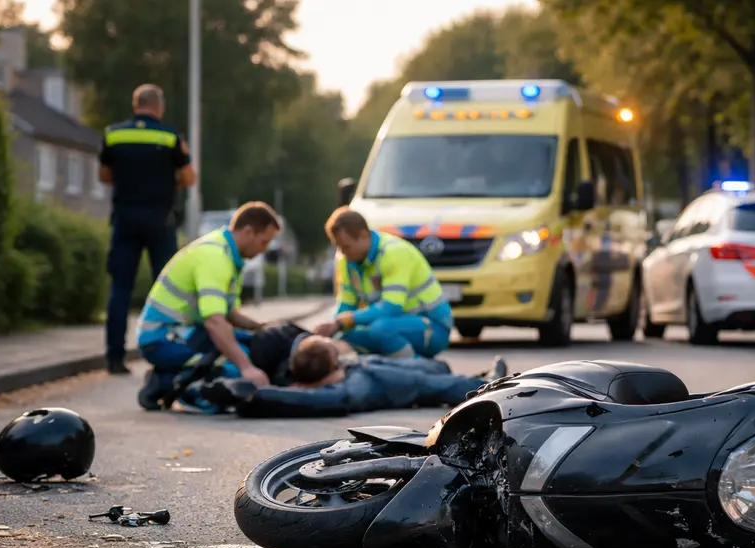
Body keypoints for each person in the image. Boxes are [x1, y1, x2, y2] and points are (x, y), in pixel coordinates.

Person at [135, 201, 281, 411]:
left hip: (180, 332)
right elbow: (215, 323)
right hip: (160, 340)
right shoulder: (215, 257)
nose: (264, 249)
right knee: (233, 370)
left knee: (246, 345)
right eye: (264, 242)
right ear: (249, 231)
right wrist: (246, 368)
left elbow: (228, 313)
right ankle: (165, 382)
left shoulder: (229, 255)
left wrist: (260, 328)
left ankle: (174, 375)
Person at [99, 83, 196, 375]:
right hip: (159, 219)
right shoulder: (170, 137)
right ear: (159, 106)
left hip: (125, 218)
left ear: (135, 104)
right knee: (167, 287)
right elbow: (189, 178)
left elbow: (104, 175)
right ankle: (168, 354)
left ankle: (115, 359)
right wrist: (169, 178)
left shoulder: (114, 134)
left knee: (120, 289)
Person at [197, 337, 507, 418]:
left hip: (367, 371)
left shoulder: (304, 377)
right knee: (434, 382)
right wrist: (253, 394)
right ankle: (489, 385)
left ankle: (477, 379)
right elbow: (316, 398)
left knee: (434, 369)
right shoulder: (346, 389)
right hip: (374, 379)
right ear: (332, 362)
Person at [313, 208, 452, 359]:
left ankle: (421, 370)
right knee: (343, 336)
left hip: (433, 326)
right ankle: (388, 367)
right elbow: (346, 305)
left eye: (346, 246)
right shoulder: (345, 259)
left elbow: (391, 308)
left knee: (381, 330)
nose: (342, 252)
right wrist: (331, 329)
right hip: (395, 324)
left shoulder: (394, 253)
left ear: (363, 235)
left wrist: (343, 321)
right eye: (338, 246)